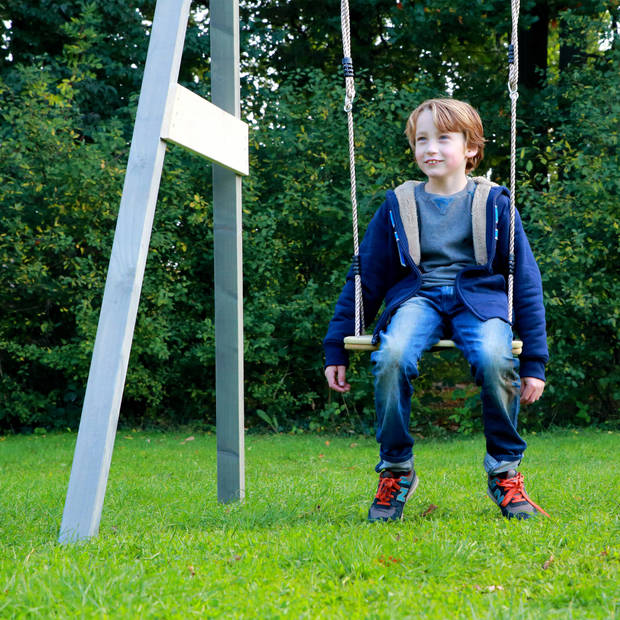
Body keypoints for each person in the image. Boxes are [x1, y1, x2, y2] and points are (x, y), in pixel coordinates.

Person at [323, 98, 550, 522]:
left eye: (443, 137)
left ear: (470, 148)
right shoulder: (398, 205)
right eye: (421, 139)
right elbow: (365, 277)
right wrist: (337, 345)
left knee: (493, 355)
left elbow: (526, 279)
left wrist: (534, 359)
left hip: (478, 299)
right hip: (418, 298)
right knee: (391, 356)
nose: (431, 147)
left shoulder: (495, 203)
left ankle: (504, 471)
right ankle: (395, 469)